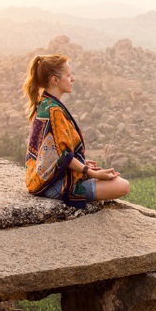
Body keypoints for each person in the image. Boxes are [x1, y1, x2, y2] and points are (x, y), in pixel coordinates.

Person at [23, 54, 129, 207]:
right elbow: (63, 155)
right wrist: (90, 172)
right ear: (55, 80)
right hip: (52, 185)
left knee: (114, 182)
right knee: (122, 186)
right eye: (68, 75)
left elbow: (52, 151)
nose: (72, 79)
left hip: (41, 179)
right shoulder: (54, 111)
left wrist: (81, 162)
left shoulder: (45, 104)